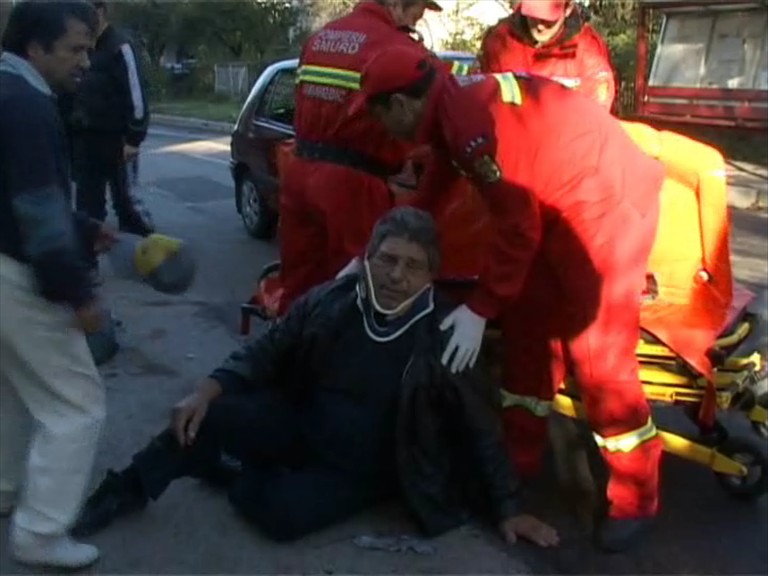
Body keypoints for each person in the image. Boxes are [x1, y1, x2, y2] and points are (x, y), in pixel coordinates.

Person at [72, 207, 559, 549]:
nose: (395, 275)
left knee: (280, 519)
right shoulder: (333, 299)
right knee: (208, 413)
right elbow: (268, 348)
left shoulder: (447, 334)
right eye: (387, 259)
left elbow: (482, 428)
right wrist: (206, 389)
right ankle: (130, 487)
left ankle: (229, 467)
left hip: (364, 467)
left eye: (413, 266)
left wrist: (509, 506)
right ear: (368, 259)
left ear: (431, 276)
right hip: (302, 422)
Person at [352, 45, 665, 552]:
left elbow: (517, 227)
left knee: (597, 352)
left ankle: (637, 493)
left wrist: (479, 307)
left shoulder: (473, 128)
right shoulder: (448, 108)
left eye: (378, 114)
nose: (381, 128)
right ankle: (517, 463)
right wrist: (375, 248)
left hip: (605, 201)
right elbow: (434, 188)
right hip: (558, 197)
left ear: (401, 105)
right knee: (525, 331)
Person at [0, 0, 117, 568]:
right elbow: (38, 213)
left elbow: (19, 194)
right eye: (75, 48)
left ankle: (3, 489)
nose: (86, 61)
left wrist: (85, 227)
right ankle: (41, 533)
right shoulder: (26, 105)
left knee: (13, 387)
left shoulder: (6, 92)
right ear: (34, 49)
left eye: (90, 48)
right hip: (15, 273)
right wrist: (80, 294)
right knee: (77, 404)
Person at [278, 0, 448, 314]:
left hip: (300, 172)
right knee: (360, 292)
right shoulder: (397, 48)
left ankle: (290, 355)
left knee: (299, 287)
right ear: (397, 4)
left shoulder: (321, 38)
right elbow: (445, 104)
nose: (419, 19)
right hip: (353, 185)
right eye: (418, 10)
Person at [62, 0, 153, 279]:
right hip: (85, 141)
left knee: (127, 204)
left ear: (99, 13)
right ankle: (87, 268)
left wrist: (134, 138)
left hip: (117, 141)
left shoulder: (119, 46)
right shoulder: (82, 47)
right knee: (88, 206)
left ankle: (150, 259)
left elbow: (136, 95)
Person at [479, 0, 616, 111]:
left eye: (548, 19)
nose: (539, 26)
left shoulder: (588, 49)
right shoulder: (499, 40)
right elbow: (482, 99)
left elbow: (597, 116)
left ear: (567, 9)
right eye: (533, 15)